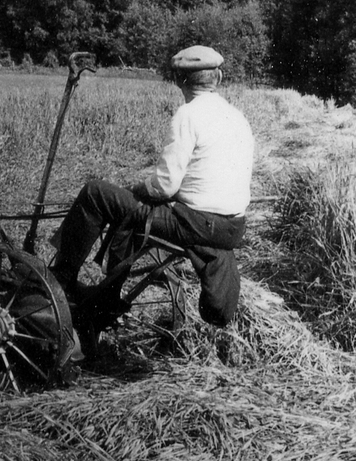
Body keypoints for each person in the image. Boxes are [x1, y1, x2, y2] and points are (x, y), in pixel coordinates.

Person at [49, 45, 254, 327]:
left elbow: (164, 187)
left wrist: (138, 187)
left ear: (180, 81)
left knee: (96, 193)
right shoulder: (237, 117)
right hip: (232, 227)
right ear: (217, 79)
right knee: (135, 210)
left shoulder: (189, 115)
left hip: (197, 222)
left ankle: (60, 279)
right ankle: (107, 293)